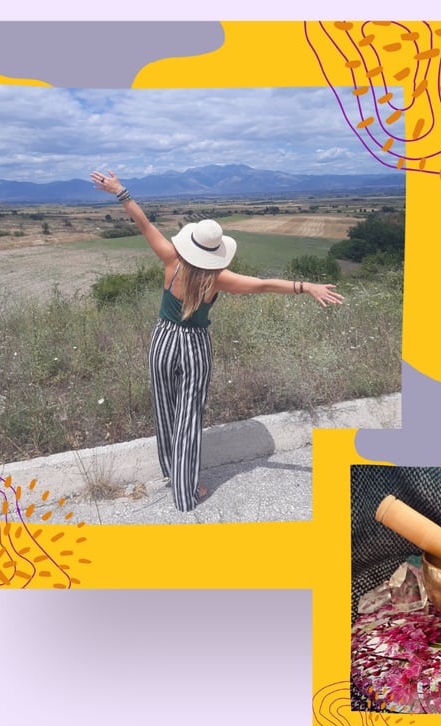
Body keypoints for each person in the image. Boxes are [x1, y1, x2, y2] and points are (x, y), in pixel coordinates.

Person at [90, 170, 344, 512]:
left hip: (163, 340)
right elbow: (263, 284)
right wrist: (305, 286)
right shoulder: (220, 278)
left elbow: (143, 223)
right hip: (194, 345)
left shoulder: (170, 260)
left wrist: (120, 191)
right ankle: (185, 493)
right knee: (188, 418)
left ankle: (171, 473)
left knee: (165, 410)